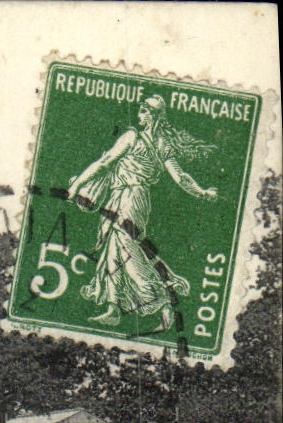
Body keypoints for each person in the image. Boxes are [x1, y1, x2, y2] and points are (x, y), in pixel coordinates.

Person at [67, 94, 218, 332]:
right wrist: (202, 192)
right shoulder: (162, 145)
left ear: (152, 116)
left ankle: (163, 300)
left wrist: (76, 186)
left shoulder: (133, 137)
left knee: (127, 249)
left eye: (143, 111)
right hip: (126, 197)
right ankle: (114, 309)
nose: (139, 115)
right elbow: (181, 178)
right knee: (113, 250)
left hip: (130, 198)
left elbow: (105, 162)